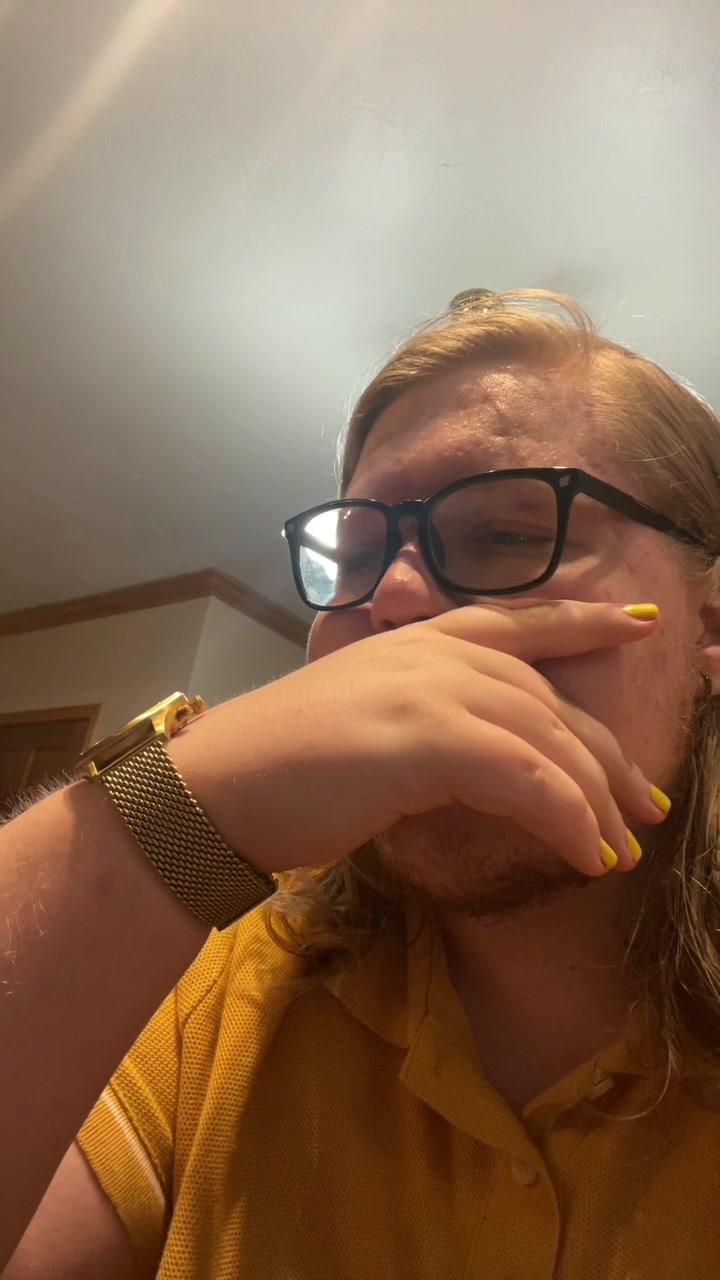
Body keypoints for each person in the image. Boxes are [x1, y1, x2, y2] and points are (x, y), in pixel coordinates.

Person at [2, 289, 719, 1280]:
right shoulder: (216, 990)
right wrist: (176, 805)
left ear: (710, 624)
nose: (393, 597)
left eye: (507, 533)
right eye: (355, 556)